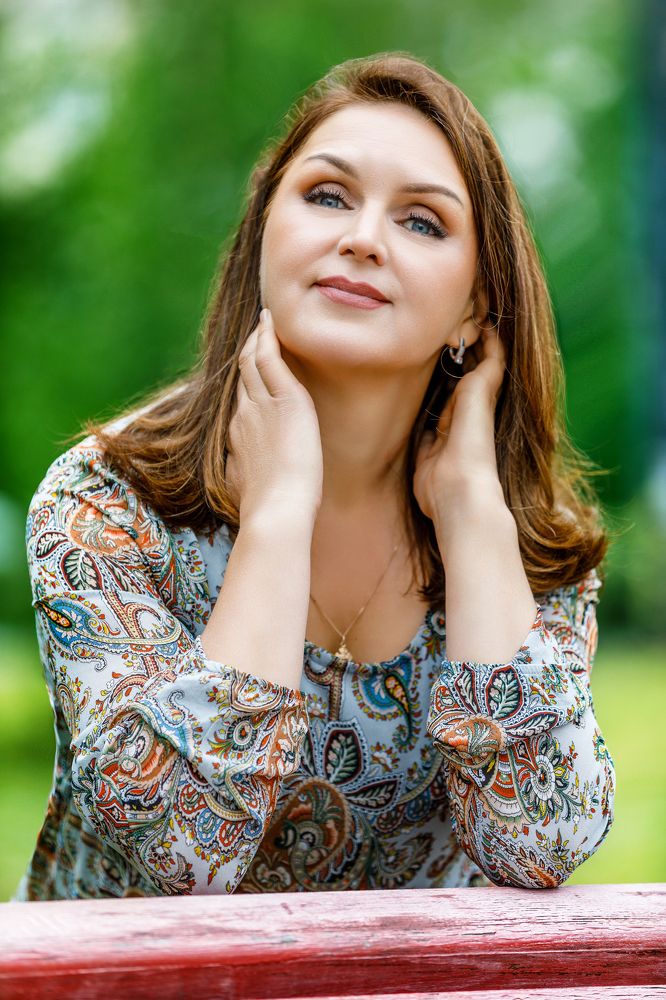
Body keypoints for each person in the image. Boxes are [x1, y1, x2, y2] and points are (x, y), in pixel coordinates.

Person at [15, 53, 615, 900]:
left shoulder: (530, 545)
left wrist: (473, 513)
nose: (363, 238)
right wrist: (276, 516)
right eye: (328, 196)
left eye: (422, 222)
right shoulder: (106, 503)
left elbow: (541, 844)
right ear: (265, 233)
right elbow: (184, 854)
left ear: (475, 307)